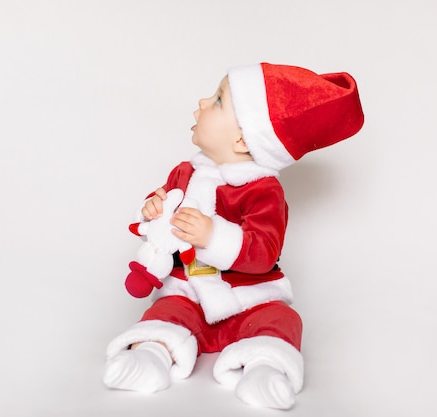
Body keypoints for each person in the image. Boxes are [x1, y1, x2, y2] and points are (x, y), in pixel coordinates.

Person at [103, 62, 364, 410]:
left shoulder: (263, 191)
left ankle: (265, 370)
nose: (202, 102)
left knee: (282, 319)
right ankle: (149, 357)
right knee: (166, 311)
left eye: (217, 101)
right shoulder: (185, 172)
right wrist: (151, 208)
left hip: (248, 298)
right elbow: (163, 212)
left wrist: (212, 236)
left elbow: (264, 251)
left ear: (243, 138)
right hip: (190, 293)